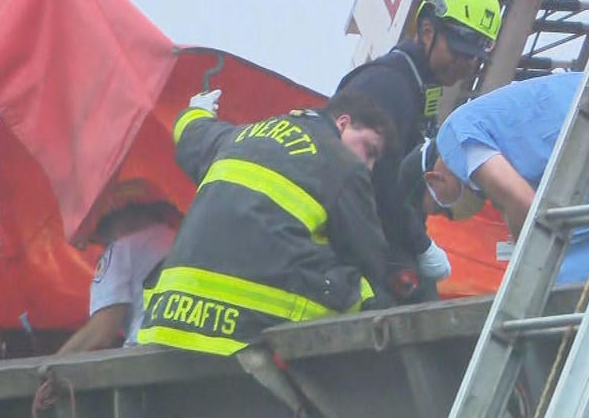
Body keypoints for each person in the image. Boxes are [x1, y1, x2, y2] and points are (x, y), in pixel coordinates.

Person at [137, 89, 397, 356]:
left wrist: (197, 110)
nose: (369, 166)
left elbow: (191, 133)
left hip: (172, 316)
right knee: (362, 289)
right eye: (370, 150)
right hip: (251, 323)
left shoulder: (238, 137)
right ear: (343, 123)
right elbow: (369, 256)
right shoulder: (344, 166)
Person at [398, 71, 589, 285]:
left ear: (434, 180)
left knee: (555, 275)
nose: (451, 216)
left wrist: (524, 275)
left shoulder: (453, 136)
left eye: (441, 212)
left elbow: (520, 202)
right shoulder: (483, 121)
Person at [336, 0, 501, 301]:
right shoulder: (387, 86)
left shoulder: (417, 88)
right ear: (428, 32)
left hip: (382, 248)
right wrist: (419, 243)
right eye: (459, 52)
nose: (465, 65)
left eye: (473, 58)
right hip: (353, 255)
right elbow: (368, 181)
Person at [56, 179, 178, 354]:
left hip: (147, 362)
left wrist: (51, 367)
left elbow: (102, 331)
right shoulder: (181, 242)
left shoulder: (123, 250)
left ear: (115, 219)